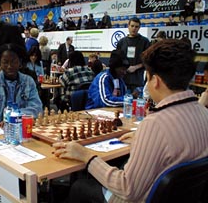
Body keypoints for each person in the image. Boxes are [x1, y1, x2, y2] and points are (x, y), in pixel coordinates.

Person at [53, 39, 208, 203]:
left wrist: (86, 156)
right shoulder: (203, 113)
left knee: (80, 187)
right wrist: (145, 142)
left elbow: (127, 189)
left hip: (142, 198)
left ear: (155, 81)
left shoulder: (154, 124)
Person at [116, 17, 150, 92]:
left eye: (136, 26)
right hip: (123, 80)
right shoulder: (121, 42)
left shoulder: (145, 41)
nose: (134, 28)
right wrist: (126, 67)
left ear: (139, 28)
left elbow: (148, 60)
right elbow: (117, 60)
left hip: (138, 81)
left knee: (138, 103)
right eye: (132, 26)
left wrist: (136, 67)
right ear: (128, 26)